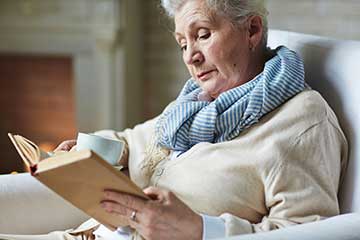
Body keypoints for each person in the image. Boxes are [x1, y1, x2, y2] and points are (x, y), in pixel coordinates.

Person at [0, 0, 348, 240]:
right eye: (182, 43)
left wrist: (199, 230)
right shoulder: (195, 106)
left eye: (202, 34)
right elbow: (136, 140)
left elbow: (308, 231)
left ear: (252, 29)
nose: (191, 58)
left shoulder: (303, 122)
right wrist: (89, 149)